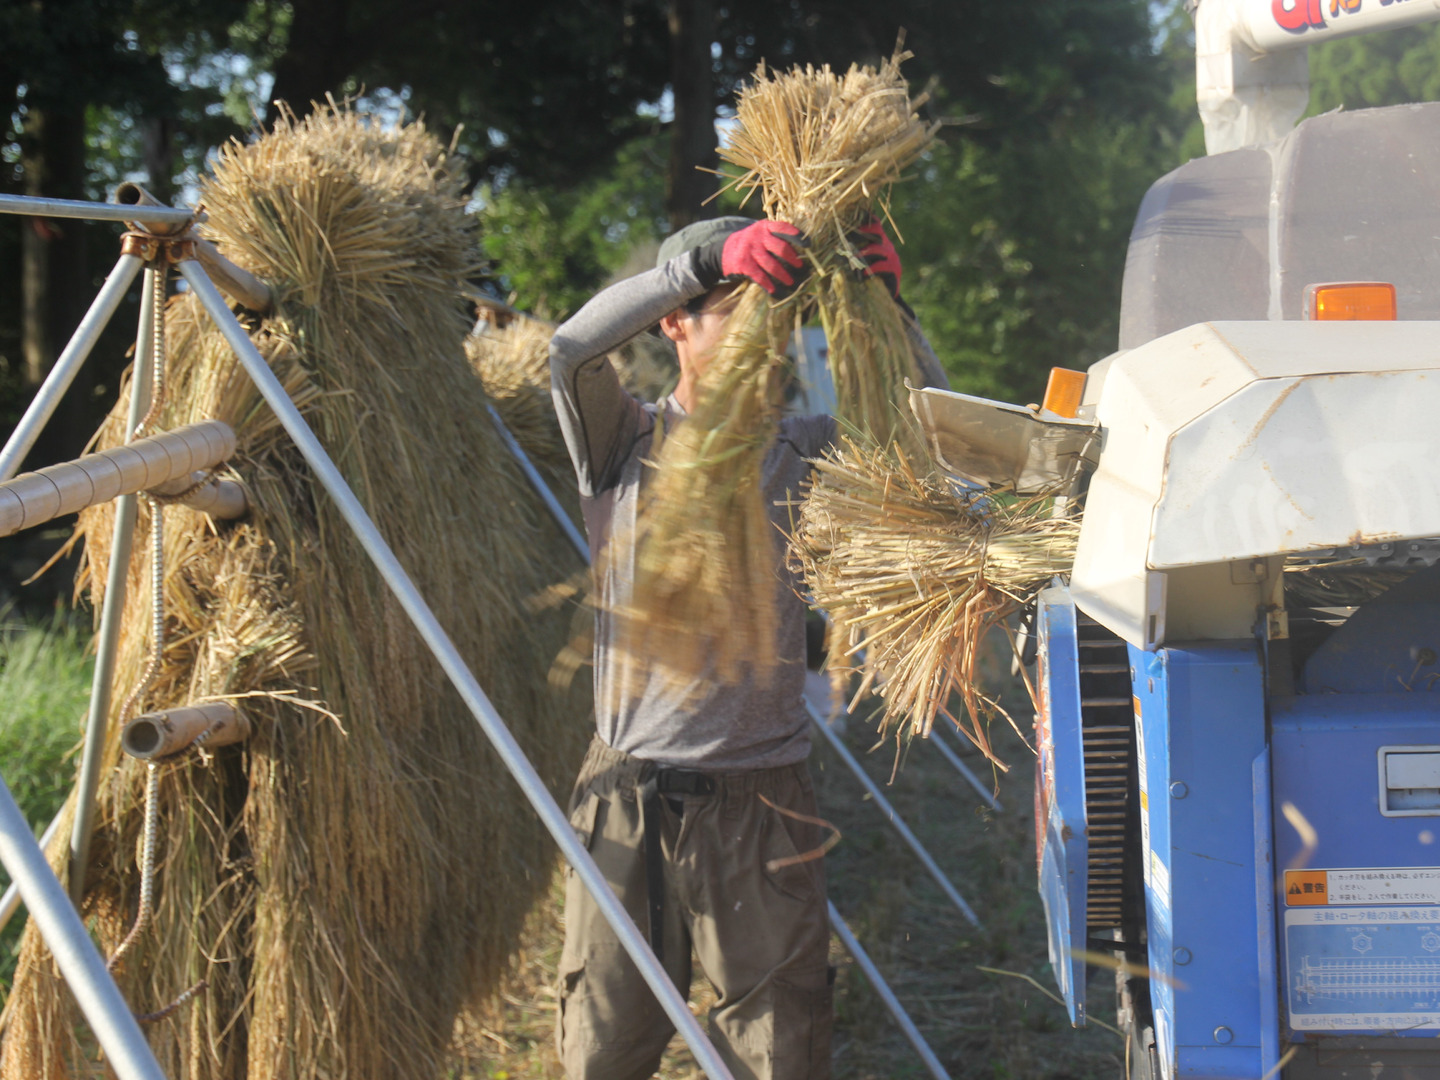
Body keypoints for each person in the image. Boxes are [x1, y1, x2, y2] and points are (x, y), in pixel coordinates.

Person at [548, 214, 949, 1080]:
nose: (764, 336)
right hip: (631, 795)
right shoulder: (625, 441)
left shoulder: (803, 452)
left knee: (778, 1054)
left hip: (763, 801)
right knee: (602, 1050)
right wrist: (698, 266)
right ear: (675, 323)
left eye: (779, 314)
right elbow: (571, 350)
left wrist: (891, 313)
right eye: (737, 309)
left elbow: (930, 442)